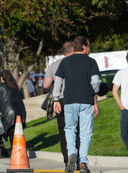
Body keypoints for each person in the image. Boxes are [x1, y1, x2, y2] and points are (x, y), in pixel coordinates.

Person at [53, 36, 101, 173]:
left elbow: (58, 80)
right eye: (89, 46)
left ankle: (71, 154)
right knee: (85, 133)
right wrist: (95, 91)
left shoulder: (65, 62)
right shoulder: (91, 62)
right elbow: (96, 82)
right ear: (84, 47)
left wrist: (56, 99)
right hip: (86, 101)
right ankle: (83, 163)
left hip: (69, 101)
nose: (90, 48)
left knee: (69, 129)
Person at [43, 41, 79, 167]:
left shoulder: (54, 65)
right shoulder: (79, 63)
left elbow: (46, 85)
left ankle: (67, 160)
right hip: (77, 99)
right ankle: (79, 159)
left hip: (61, 101)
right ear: (73, 50)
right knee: (78, 131)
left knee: (64, 131)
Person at [0, 70, 26, 144]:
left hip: (9, 114)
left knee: (13, 138)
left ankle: (16, 152)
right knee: (17, 135)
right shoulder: (15, 87)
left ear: (2, 78)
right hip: (21, 111)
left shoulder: (0, 88)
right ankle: (17, 150)